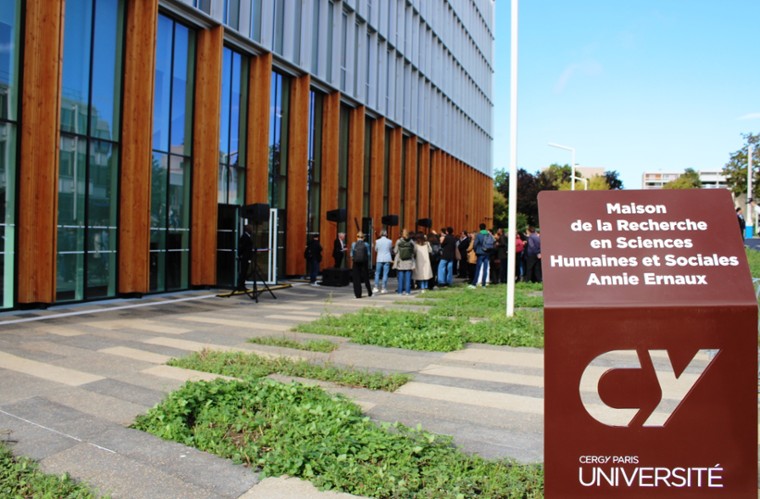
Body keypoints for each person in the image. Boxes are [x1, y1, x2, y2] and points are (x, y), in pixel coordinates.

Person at [469, 223, 493, 288]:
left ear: (479, 228)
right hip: (487, 253)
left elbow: (475, 244)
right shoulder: (489, 234)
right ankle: (484, 284)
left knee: (478, 269)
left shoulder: (479, 235)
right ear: (485, 227)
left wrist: (475, 250)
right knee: (485, 269)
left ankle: (474, 283)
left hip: (480, 253)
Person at [350, 232, 373, 298]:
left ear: (357, 237)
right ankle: (369, 292)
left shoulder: (353, 244)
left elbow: (351, 254)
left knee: (356, 278)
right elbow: (368, 254)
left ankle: (358, 294)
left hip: (356, 262)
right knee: (366, 277)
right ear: (363, 237)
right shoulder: (366, 244)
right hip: (364, 262)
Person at [394, 229, 415, 295]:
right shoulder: (411, 241)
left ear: (401, 234)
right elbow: (414, 250)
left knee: (400, 277)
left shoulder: (398, 241)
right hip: (409, 261)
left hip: (401, 261)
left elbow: (395, 251)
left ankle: (400, 291)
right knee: (408, 278)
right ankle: (407, 292)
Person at [236, 224, 254, 291]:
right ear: (248, 229)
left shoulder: (247, 236)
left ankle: (242, 285)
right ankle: (240, 286)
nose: (252, 230)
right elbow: (242, 247)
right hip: (244, 257)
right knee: (243, 272)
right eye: (251, 229)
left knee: (245, 272)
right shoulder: (245, 237)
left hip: (247, 257)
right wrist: (240, 255)